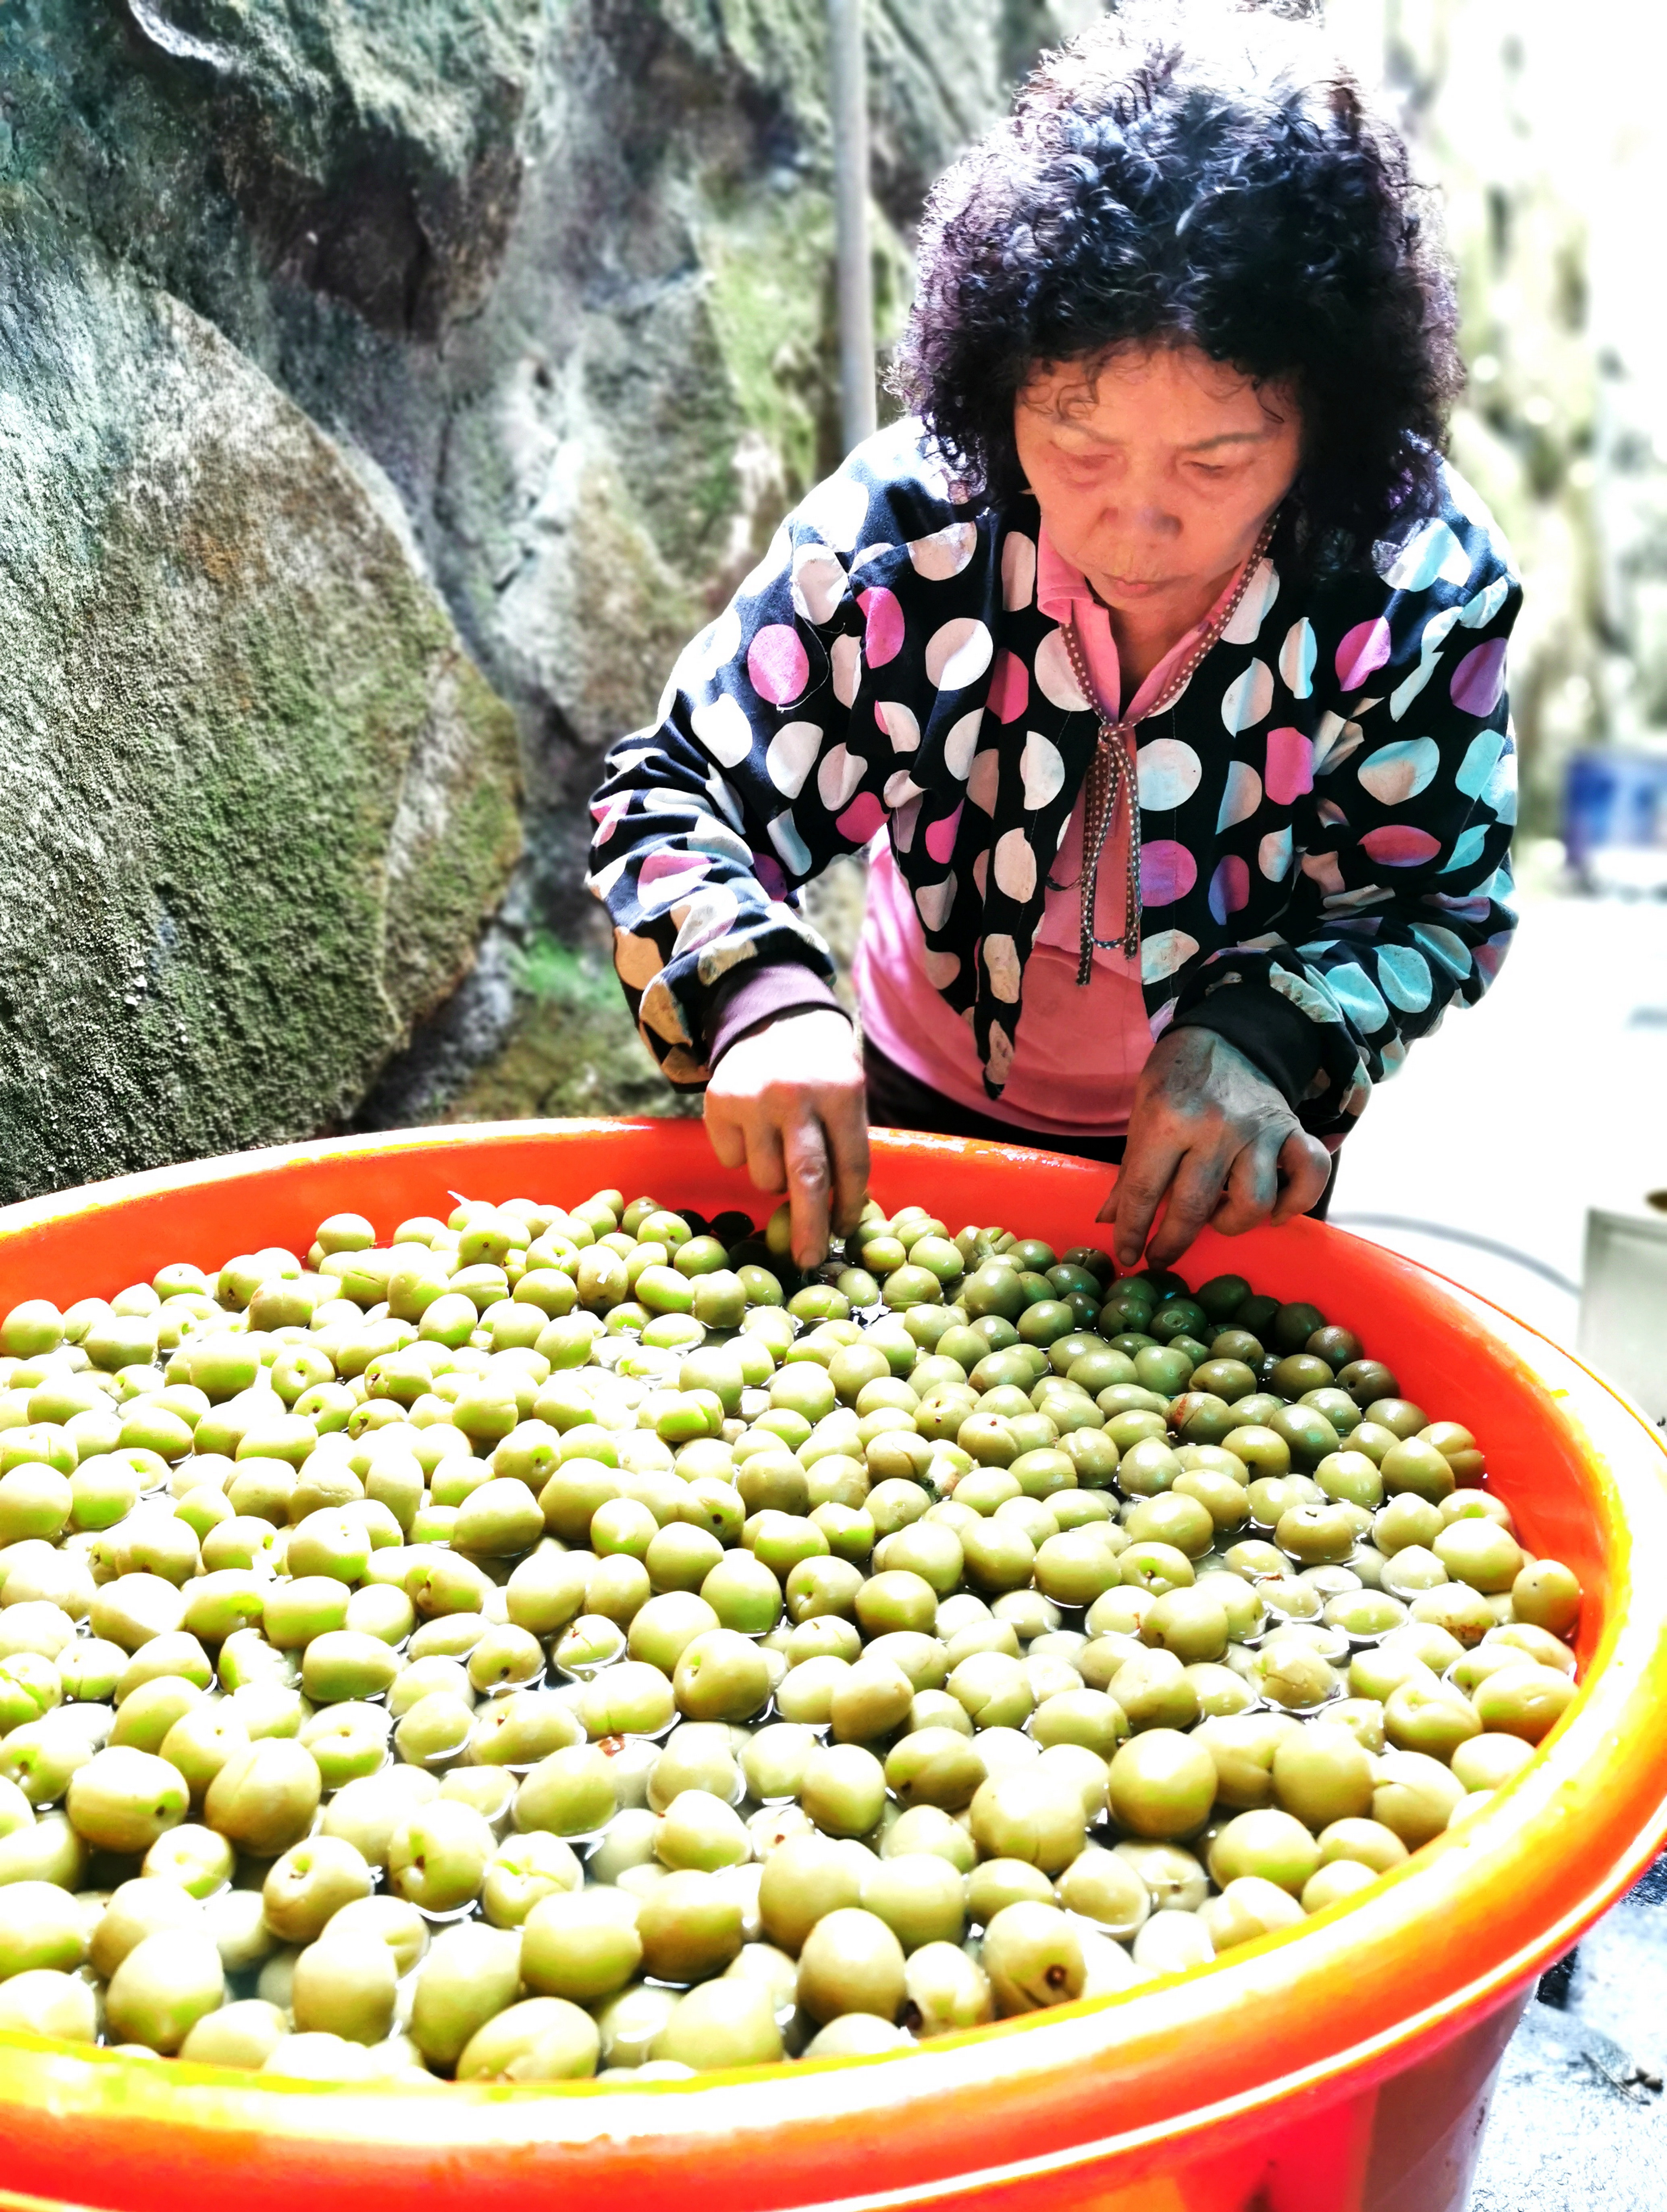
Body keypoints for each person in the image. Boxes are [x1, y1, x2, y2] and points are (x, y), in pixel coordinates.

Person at [586, 1, 1519, 1275]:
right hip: (911, 1101)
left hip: (1226, 1146)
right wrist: (758, 996)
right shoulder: (907, 535)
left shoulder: (1413, 589)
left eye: (1217, 457)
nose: (1134, 524)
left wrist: (1269, 1035)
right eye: (1078, 445)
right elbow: (677, 790)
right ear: (999, 382)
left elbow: (1433, 893)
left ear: (1324, 431)